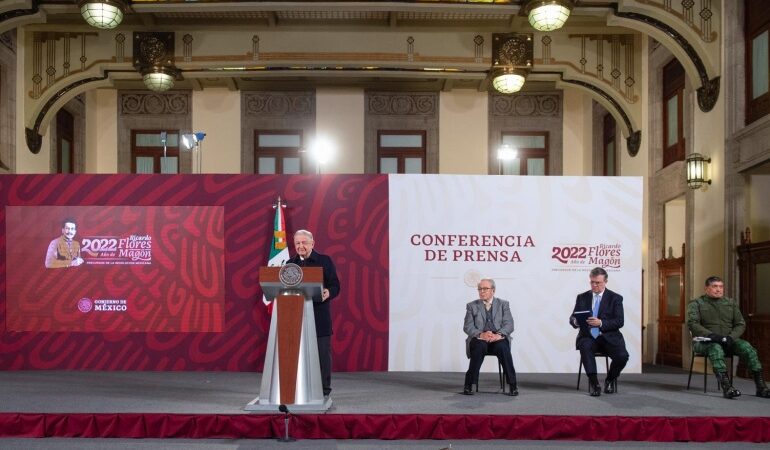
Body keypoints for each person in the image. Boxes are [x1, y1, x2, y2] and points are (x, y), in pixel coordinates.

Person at [686, 276, 770, 399]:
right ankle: (727, 387)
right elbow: (692, 324)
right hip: (705, 342)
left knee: (747, 348)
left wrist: (731, 337)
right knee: (715, 348)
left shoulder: (730, 304)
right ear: (706, 288)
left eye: (721, 286)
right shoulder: (696, 303)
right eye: (715, 286)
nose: (718, 290)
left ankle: (761, 387)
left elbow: (740, 324)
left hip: (728, 341)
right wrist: (711, 335)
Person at [287, 229, 340, 397]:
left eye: (304, 242)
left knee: (322, 354)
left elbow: (335, 285)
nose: (300, 246)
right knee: (298, 354)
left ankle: (323, 390)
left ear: (312, 244)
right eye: (297, 243)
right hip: (296, 315)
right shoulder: (290, 263)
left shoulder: (324, 261)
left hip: (319, 316)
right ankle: (298, 388)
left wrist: (328, 292)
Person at [569, 267, 629, 397]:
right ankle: (595, 384)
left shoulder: (616, 298)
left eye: (598, 282)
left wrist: (601, 323)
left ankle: (610, 379)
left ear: (605, 281)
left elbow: (619, 321)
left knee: (622, 356)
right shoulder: (582, 297)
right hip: (588, 336)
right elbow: (572, 317)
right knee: (585, 346)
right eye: (592, 282)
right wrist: (576, 321)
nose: (594, 285)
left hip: (609, 337)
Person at [462, 278, 518, 396]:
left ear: (493, 290)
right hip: (479, 338)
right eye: (480, 289)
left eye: (485, 289)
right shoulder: (472, 306)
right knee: (479, 347)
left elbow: (509, 324)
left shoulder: (503, 304)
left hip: (498, 338)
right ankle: (469, 384)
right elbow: (467, 326)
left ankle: (512, 384)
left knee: (503, 348)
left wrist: (499, 335)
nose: (482, 291)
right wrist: (480, 334)